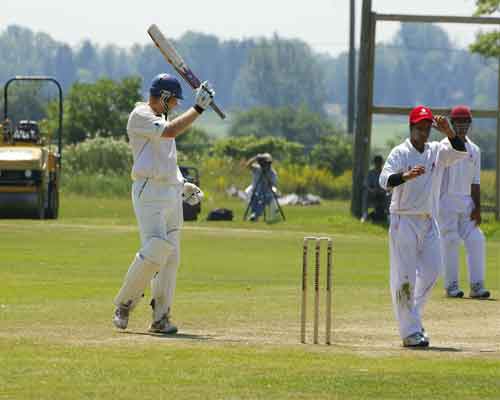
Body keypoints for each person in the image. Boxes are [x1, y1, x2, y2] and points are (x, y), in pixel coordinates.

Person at [112, 73, 214, 333]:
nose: (177, 105)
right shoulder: (141, 115)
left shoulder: (162, 118)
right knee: (156, 248)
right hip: (149, 191)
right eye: (175, 101)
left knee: (172, 258)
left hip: (169, 192)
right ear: (165, 98)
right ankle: (124, 303)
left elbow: (166, 162)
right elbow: (169, 132)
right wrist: (199, 108)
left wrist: (183, 185)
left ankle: (160, 319)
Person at [379, 105, 468, 348]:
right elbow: (384, 180)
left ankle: (412, 318)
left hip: (428, 220)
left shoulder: (436, 151)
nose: (424, 132)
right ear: (411, 128)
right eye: (419, 128)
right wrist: (405, 177)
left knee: (433, 271)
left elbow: (461, 153)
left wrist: (449, 132)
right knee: (404, 277)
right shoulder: (400, 152)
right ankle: (410, 333)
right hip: (403, 220)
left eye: (427, 128)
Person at [439, 105, 490, 299]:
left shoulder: (474, 150)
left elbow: (475, 182)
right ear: (452, 123)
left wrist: (477, 208)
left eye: (465, 122)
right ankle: (451, 285)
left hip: (467, 202)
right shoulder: (443, 147)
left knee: (477, 239)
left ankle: (477, 286)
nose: (461, 126)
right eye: (458, 122)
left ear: (469, 124)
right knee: (450, 241)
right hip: (446, 201)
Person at [245, 153, 278, 221]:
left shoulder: (272, 173)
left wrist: (266, 177)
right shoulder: (257, 168)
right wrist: (256, 158)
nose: (265, 165)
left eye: (266, 163)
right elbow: (248, 165)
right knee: (253, 196)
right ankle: (254, 214)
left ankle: (255, 215)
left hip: (266, 191)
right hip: (254, 190)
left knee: (263, 199)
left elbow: (273, 184)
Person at [361, 155, 388, 222]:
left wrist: (383, 190)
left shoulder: (385, 173)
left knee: (389, 195)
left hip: (382, 193)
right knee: (365, 193)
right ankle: (365, 214)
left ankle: (388, 215)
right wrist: (372, 190)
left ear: (382, 163)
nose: (378, 164)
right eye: (377, 162)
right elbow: (366, 185)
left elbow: (389, 185)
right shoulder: (370, 173)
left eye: (379, 162)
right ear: (374, 163)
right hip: (372, 193)